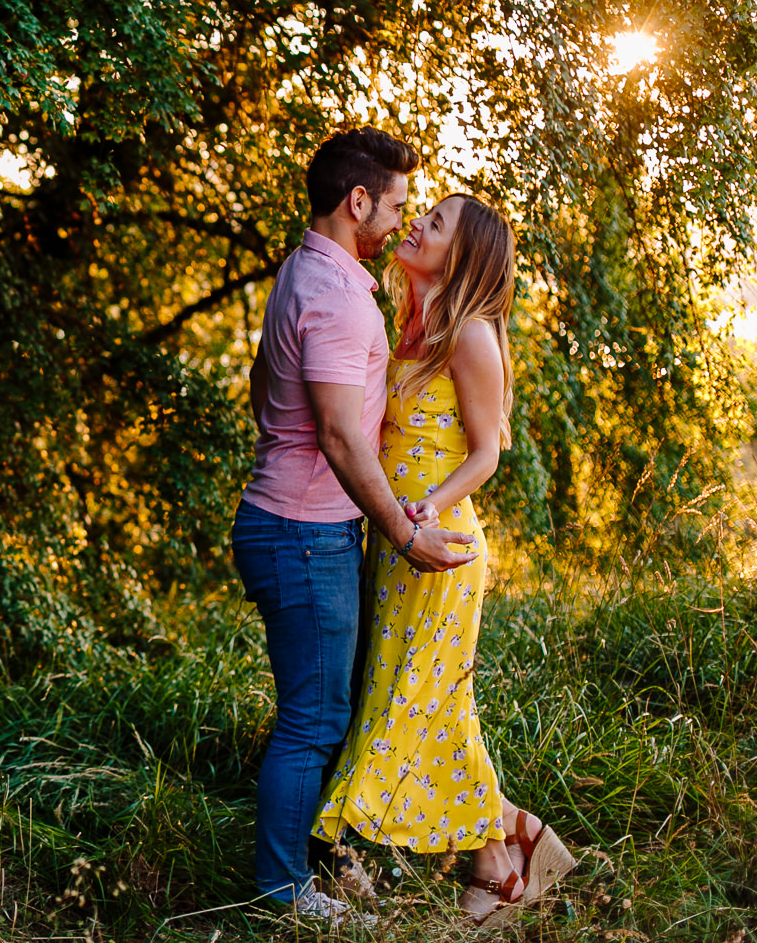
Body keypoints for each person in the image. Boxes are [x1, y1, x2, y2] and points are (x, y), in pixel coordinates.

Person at [310, 192, 576, 929]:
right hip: (396, 547)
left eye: (437, 223)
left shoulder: (472, 336)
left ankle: (336, 839)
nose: (419, 223)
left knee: (409, 703)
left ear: (464, 255)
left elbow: (489, 452)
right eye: (423, 212)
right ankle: (506, 853)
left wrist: (427, 506)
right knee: (430, 705)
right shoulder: (408, 328)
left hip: (442, 549)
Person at [232, 128, 478, 923]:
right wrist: (408, 536)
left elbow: (266, 388)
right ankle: (284, 894)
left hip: (291, 525)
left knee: (323, 711)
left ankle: (324, 866)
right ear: (358, 201)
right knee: (316, 719)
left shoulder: (310, 272)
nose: (404, 219)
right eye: (400, 204)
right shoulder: (338, 296)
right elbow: (339, 436)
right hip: (305, 535)